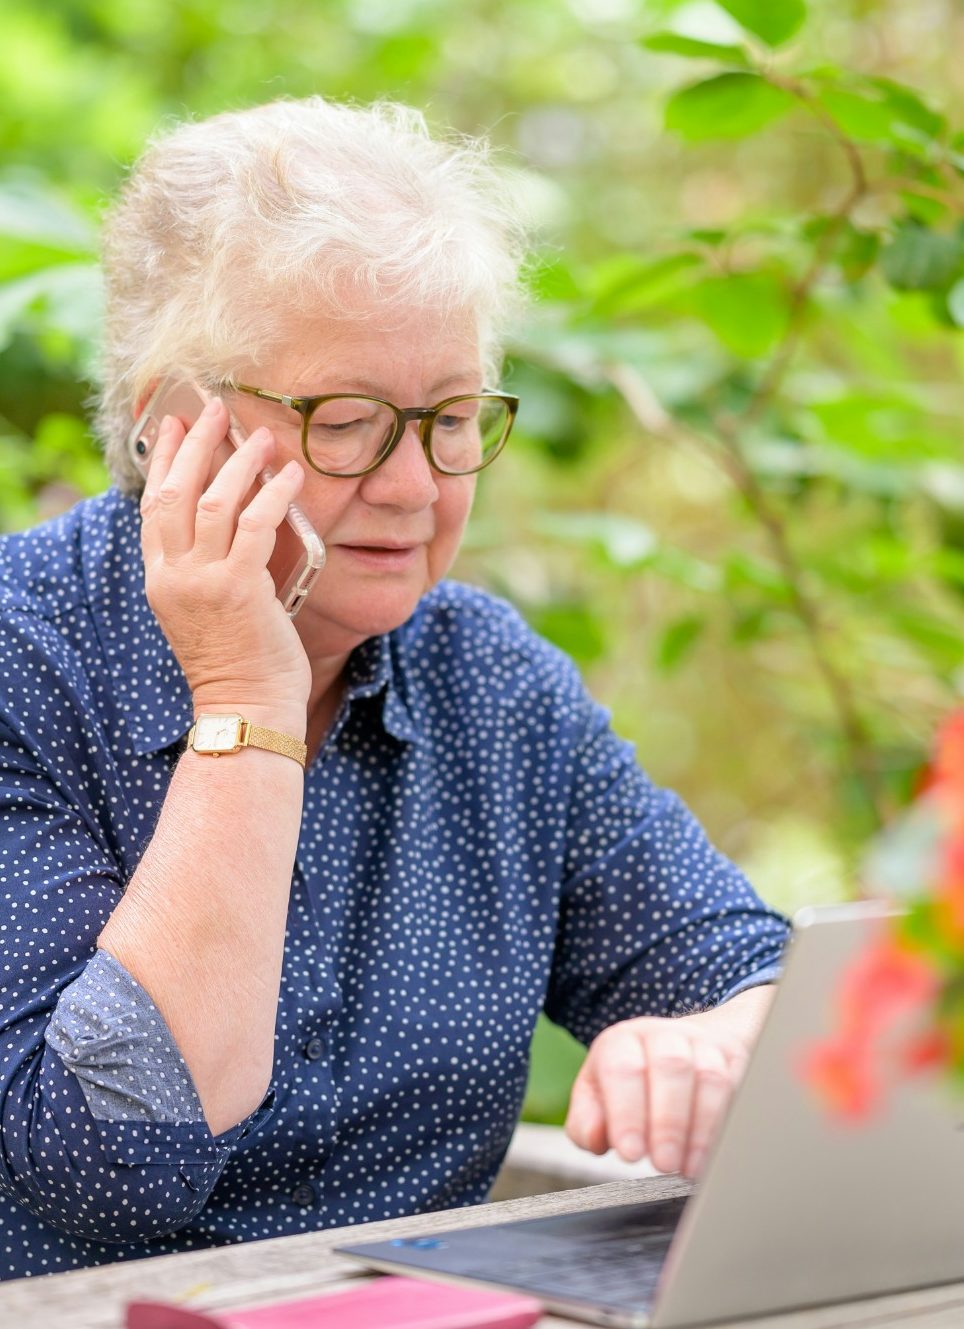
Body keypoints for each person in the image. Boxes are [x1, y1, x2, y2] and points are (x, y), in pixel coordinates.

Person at [0, 97, 789, 1280]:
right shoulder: (27, 658)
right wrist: (243, 705)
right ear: (177, 432)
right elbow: (114, 1166)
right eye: (350, 423)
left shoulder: (493, 684)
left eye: (453, 417)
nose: (418, 484)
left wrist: (721, 1047)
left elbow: (761, 981)